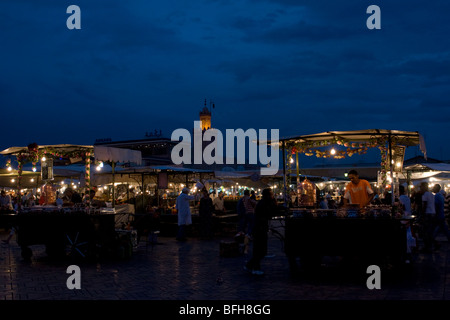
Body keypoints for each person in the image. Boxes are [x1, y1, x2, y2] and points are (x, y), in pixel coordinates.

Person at [244, 188, 278, 275]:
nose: (272, 196)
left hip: (260, 228)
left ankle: (250, 265)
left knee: (260, 250)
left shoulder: (263, 203)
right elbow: (270, 212)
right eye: (271, 194)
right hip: (259, 229)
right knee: (260, 250)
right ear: (267, 195)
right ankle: (255, 268)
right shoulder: (263, 204)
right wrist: (274, 202)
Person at [420, 182, 437, 253]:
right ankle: (433, 245)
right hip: (433, 213)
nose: (420, 188)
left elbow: (424, 205)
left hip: (428, 214)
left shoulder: (425, 195)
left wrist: (422, 215)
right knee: (430, 231)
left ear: (424, 187)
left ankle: (427, 247)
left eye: (421, 187)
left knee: (425, 231)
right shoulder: (431, 194)